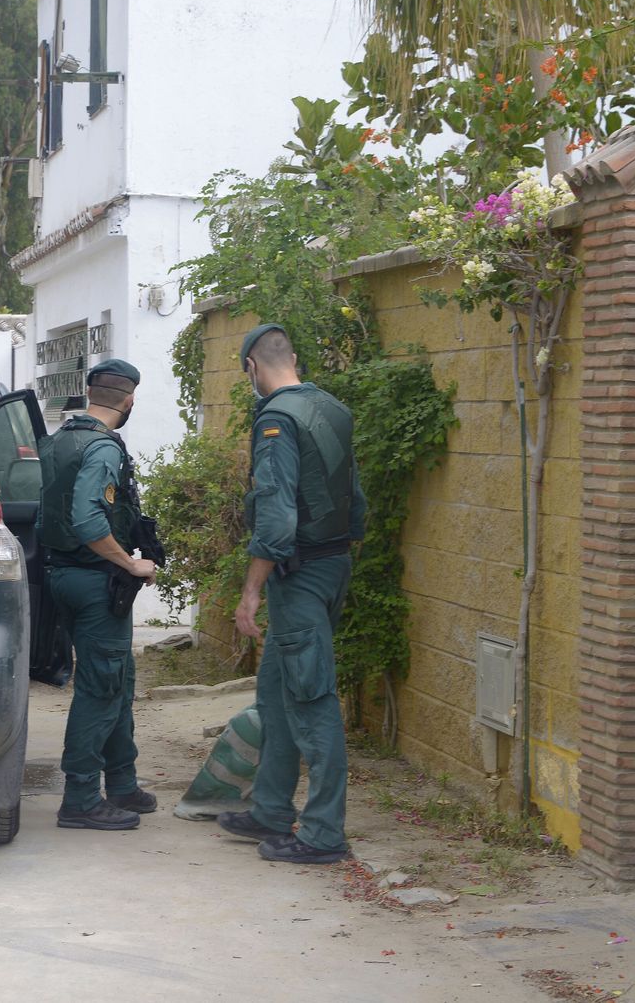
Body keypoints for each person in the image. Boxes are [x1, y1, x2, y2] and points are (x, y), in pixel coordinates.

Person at [217, 324, 367, 864]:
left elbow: (276, 520)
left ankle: (324, 833)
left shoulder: (277, 419)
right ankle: (271, 810)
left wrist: (250, 592)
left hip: (298, 576)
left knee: (310, 698)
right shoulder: (331, 407)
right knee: (278, 692)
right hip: (331, 565)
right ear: (294, 358)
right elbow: (356, 499)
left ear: (252, 369)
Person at [37, 359, 159, 830]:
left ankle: (122, 782)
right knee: (101, 687)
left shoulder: (59, 439)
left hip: (62, 576)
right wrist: (130, 563)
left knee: (118, 680)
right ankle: (82, 797)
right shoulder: (104, 448)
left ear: (90, 395)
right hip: (93, 581)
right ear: (128, 401)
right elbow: (89, 520)